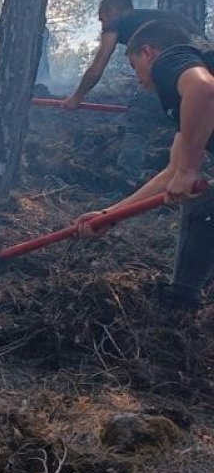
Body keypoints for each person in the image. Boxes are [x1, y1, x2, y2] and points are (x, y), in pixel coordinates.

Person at [73, 20, 214, 311]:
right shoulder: (181, 102)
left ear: (148, 52)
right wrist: (110, 215)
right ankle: (181, 302)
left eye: (134, 64)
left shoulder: (170, 60)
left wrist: (189, 170)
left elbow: (204, 88)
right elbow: (172, 173)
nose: (137, 78)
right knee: (203, 207)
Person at [61, 0, 202, 111]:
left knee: (139, 114)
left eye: (102, 19)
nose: (103, 26)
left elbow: (97, 67)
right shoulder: (153, 17)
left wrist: (76, 97)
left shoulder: (117, 22)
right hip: (204, 61)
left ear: (110, 12)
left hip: (182, 67)